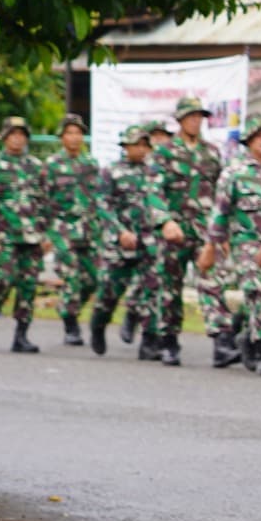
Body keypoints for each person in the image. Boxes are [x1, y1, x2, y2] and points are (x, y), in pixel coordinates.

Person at [201, 115, 261, 376]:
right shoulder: (235, 172)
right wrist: (211, 245)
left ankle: (247, 333)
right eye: (259, 137)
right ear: (249, 142)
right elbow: (220, 211)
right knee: (258, 290)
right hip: (247, 243)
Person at [147, 96, 221, 368]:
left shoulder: (211, 152)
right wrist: (165, 221)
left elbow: (219, 192)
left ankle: (221, 340)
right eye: (190, 116)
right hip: (174, 230)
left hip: (203, 230)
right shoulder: (163, 153)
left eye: (199, 116)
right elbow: (153, 190)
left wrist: (220, 233)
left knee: (212, 282)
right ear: (179, 120)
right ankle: (168, 340)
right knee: (170, 287)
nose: (195, 121)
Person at [0, 115, 51, 352]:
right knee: (5, 280)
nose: (17, 139)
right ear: (5, 137)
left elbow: (45, 203)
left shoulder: (36, 166)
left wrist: (47, 234)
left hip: (32, 236)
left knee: (28, 286)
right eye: (13, 134)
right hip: (5, 234)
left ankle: (21, 335)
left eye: (22, 134)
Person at [94, 123, 162, 358]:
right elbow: (102, 205)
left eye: (145, 145)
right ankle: (98, 325)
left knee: (152, 290)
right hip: (119, 242)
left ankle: (149, 341)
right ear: (126, 146)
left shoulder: (154, 172)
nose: (142, 149)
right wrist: (120, 231)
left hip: (149, 241)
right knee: (110, 292)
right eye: (137, 144)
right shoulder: (111, 171)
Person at [45, 113, 106, 347]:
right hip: (63, 226)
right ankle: (71, 324)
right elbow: (44, 198)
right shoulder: (52, 165)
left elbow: (97, 196)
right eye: (70, 133)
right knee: (70, 273)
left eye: (79, 132)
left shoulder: (90, 164)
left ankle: (69, 307)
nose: (74, 137)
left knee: (94, 278)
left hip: (89, 227)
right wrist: (46, 232)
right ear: (62, 137)